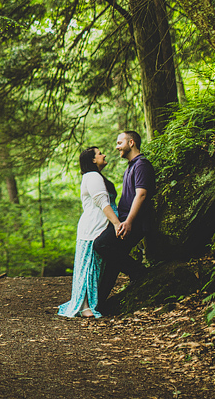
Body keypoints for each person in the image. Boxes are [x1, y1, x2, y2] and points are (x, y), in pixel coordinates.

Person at [94, 129, 156, 310]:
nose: (116, 146)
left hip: (134, 222)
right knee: (113, 260)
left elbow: (142, 194)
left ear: (131, 143)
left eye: (120, 142)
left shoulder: (142, 165)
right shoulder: (131, 166)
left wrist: (128, 222)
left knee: (101, 245)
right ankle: (99, 304)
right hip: (125, 220)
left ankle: (140, 273)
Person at [57, 146, 121, 318]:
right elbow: (102, 202)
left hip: (97, 226)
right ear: (93, 160)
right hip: (93, 227)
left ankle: (91, 302)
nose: (104, 154)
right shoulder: (92, 176)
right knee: (88, 266)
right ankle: (85, 306)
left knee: (96, 267)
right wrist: (116, 223)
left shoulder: (94, 176)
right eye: (100, 153)